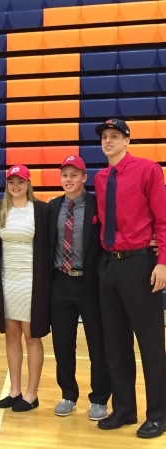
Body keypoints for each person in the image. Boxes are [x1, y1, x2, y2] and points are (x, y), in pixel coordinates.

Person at [93, 118, 166, 439]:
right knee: (116, 343)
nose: (108, 141)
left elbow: (163, 221)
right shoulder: (99, 177)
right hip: (110, 264)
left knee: (150, 343)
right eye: (104, 137)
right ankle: (124, 409)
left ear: (127, 140)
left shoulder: (148, 170)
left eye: (114, 136)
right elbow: (102, 217)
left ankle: (159, 414)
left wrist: (162, 262)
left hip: (140, 264)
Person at [48, 156, 111, 420]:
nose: (69, 180)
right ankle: (68, 394)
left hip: (89, 283)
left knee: (98, 342)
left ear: (84, 178)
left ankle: (99, 398)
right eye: (65, 175)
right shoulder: (52, 207)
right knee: (63, 342)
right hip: (61, 281)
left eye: (74, 175)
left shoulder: (98, 204)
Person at [0, 165, 50, 412]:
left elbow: (47, 247)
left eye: (20, 181)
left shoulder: (40, 209)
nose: (16, 186)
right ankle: (15, 390)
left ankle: (31, 393)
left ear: (28, 183)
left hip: (31, 281)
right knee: (12, 335)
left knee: (32, 336)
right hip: (7, 280)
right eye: (11, 181)